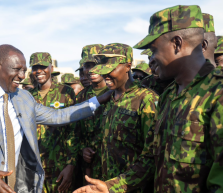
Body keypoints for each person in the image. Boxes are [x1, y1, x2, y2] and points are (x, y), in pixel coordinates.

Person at [74, 5, 223, 193]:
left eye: (153, 50)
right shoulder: (169, 96)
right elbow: (150, 157)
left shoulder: (217, 93)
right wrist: (111, 187)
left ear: (177, 43)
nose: (151, 59)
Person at [0, 45, 110, 193]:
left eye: (24, 70)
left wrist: (98, 100)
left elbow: (58, 115)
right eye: (16, 69)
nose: (23, 76)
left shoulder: (23, 98)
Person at [90, 43, 158, 193]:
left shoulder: (146, 99)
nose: (105, 76)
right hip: (106, 186)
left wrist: (115, 186)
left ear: (128, 66)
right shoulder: (109, 99)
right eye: (103, 71)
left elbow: (151, 156)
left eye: (110, 70)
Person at [29, 52, 80, 193]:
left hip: (59, 165)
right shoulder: (28, 96)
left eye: (43, 66)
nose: (38, 71)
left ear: (51, 67)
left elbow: (74, 131)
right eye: (35, 67)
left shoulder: (65, 92)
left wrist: (71, 165)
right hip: (35, 168)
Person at [75, 44, 107, 184]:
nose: (90, 70)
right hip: (89, 170)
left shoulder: (117, 94)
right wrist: (82, 149)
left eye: (95, 64)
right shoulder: (81, 98)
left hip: (115, 171)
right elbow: (74, 132)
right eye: (87, 65)